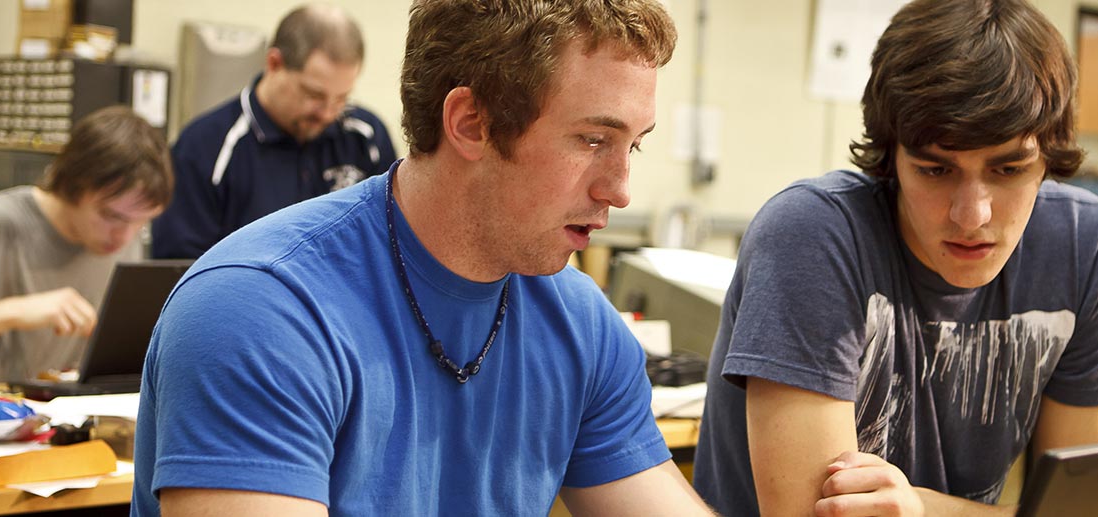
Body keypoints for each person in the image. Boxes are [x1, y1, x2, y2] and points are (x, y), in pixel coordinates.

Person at [131, 1, 714, 515]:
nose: (620, 190)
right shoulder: (257, 310)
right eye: (593, 140)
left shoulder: (581, 324)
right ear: (471, 123)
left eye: (633, 144)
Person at [692, 0, 1098, 514]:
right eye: (936, 170)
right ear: (891, 157)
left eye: (1008, 170)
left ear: (1047, 159)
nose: (971, 215)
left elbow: (1086, 510)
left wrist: (926, 508)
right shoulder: (812, 233)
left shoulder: (1085, 243)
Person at [0, 106, 172, 385]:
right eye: (110, 216)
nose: (124, 237)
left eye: (142, 222)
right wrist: (12, 312)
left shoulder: (124, 234)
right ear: (73, 186)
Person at [151, 4, 396, 259]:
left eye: (341, 98)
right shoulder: (203, 148)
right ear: (274, 63)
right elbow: (180, 267)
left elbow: (390, 241)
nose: (327, 113)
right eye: (314, 95)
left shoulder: (366, 137)